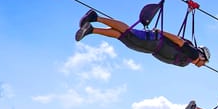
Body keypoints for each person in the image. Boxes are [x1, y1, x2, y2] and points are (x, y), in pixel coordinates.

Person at [75, 9, 209, 67]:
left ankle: (91, 30)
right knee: (128, 32)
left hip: (152, 47)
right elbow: (179, 41)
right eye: (205, 62)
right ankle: (95, 17)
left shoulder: (187, 60)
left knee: (123, 37)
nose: (203, 65)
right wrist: (162, 32)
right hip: (154, 41)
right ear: (202, 56)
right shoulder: (193, 53)